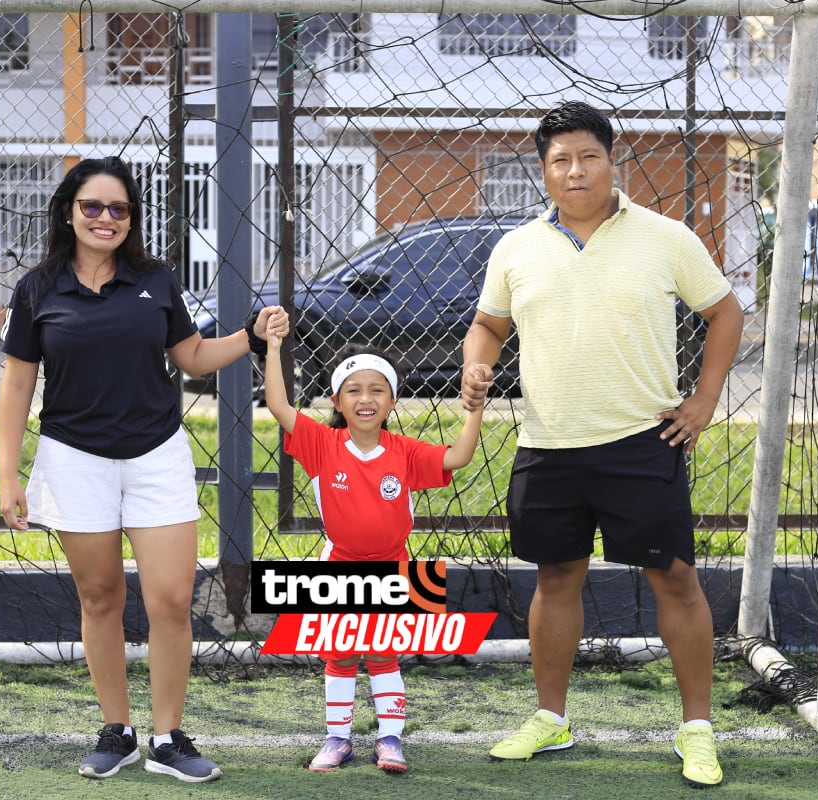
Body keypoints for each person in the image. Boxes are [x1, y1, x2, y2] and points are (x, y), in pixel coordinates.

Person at [461, 101, 744, 788]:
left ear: (610, 160)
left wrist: (703, 402)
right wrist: (477, 360)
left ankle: (696, 729)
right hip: (548, 444)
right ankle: (551, 720)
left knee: (674, 578)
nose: (575, 169)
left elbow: (725, 310)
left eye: (588, 155)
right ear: (544, 170)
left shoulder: (664, 237)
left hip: (640, 443)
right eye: (560, 159)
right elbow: (488, 326)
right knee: (555, 578)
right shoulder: (516, 248)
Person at [0, 156, 288, 783]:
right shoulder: (37, 288)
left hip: (156, 456)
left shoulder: (156, 279)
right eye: (93, 207)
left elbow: (192, 356)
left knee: (171, 600)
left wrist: (251, 335)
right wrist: (8, 474)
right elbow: (18, 385)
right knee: (100, 598)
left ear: (132, 218)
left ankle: (167, 738)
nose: (106, 218)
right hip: (74, 459)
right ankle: (117, 731)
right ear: (69, 212)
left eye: (119, 209)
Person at [263, 326, 487, 774]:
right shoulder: (323, 445)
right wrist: (273, 347)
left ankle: (389, 739)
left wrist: (475, 411)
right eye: (354, 390)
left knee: (384, 653)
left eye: (377, 390)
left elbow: (458, 457)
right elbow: (278, 406)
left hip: (393, 567)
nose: (365, 399)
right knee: (341, 653)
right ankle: (337, 739)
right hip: (339, 567)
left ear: (391, 401)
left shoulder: (403, 452)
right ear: (336, 401)